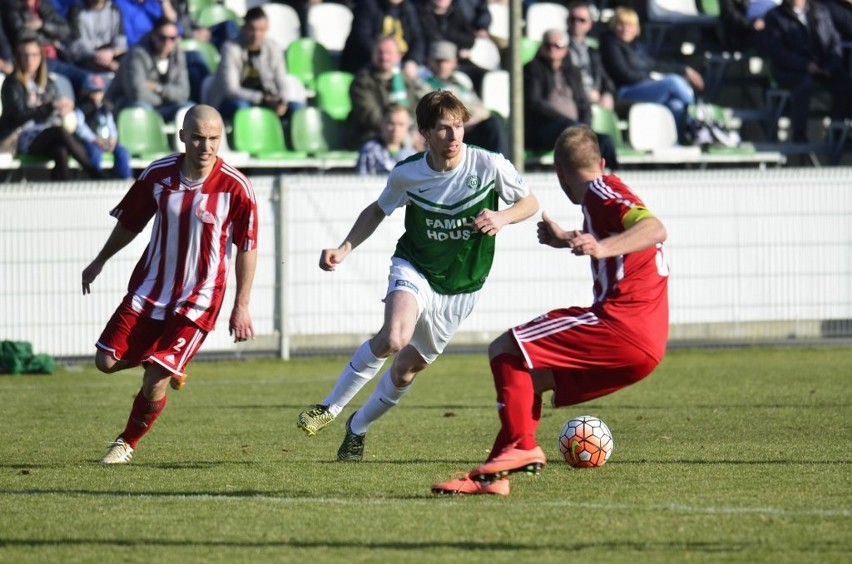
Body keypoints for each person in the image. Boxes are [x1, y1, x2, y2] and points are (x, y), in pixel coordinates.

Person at [297, 90, 539, 463]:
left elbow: (530, 202)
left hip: (461, 286)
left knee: (407, 370)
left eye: (458, 127)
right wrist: (345, 248)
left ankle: (357, 428)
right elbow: (378, 210)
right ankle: (328, 408)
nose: (454, 136)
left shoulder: (488, 165)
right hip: (414, 267)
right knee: (394, 336)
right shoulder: (407, 173)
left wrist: (502, 217)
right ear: (425, 132)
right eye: (443, 129)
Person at [432, 124, 669, 496]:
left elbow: (655, 229)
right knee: (531, 376)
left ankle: (524, 447)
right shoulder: (603, 199)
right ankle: (492, 479)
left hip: (620, 325)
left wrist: (600, 248)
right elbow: (618, 236)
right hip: (647, 348)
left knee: (505, 349)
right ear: (601, 160)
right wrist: (568, 240)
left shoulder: (601, 189)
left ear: (560, 175)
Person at [81, 104, 258, 464]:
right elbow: (131, 223)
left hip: (200, 299)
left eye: (213, 139)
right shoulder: (158, 175)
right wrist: (100, 259)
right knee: (105, 360)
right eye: (196, 138)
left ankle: (125, 442)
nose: (205, 147)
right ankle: (165, 362)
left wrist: (242, 304)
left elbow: (247, 247)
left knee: (156, 379)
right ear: (182, 137)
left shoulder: (236, 188)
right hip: (150, 289)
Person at [0, 33, 104, 179]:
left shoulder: (48, 83)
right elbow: (17, 116)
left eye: (34, 55)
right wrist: (48, 108)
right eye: (25, 55)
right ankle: (95, 172)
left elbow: (53, 110)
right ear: (18, 57)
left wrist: (64, 108)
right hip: (21, 136)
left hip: (46, 133)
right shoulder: (12, 84)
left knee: (60, 150)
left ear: (41, 57)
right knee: (59, 132)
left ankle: (62, 196)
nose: (30, 60)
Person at [599, 6, 704, 144]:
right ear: (614, 25)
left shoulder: (636, 47)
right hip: (624, 93)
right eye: (621, 24)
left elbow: (655, 65)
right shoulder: (610, 44)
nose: (625, 29)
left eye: (629, 25)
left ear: (636, 28)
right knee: (673, 82)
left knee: (676, 104)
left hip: (645, 89)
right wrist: (652, 80)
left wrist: (684, 69)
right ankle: (700, 116)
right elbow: (623, 74)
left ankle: (676, 145)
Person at [524, 28, 619, 170]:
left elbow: (584, 104)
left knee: (605, 141)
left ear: (565, 49)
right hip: (545, 129)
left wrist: (583, 126)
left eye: (557, 46)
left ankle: (614, 184)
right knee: (571, 132)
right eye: (547, 45)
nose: (552, 49)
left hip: (575, 127)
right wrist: (567, 122)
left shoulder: (573, 72)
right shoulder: (531, 69)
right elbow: (535, 103)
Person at [763, 0, 852, 142]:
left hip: (822, 67)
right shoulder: (774, 16)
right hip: (792, 70)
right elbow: (777, 52)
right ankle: (799, 133)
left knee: (844, 82)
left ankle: (837, 132)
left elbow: (834, 42)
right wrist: (806, 65)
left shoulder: (821, 12)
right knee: (804, 84)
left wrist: (830, 66)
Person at [207, 7, 299, 124]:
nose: (256, 35)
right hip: (233, 101)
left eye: (261, 30)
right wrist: (263, 99)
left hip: (267, 98)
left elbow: (282, 81)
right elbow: (231, 90)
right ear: (244, 27)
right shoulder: (230, 48)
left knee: (297, 108)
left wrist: (282, 101)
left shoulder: (273, 48)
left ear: (267, 29)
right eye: (252, 29)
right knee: (242, 107)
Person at [419, 39, 509, 156]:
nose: (442, 65)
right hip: (446, 134)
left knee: (493, 123)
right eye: (438, 61)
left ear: (453, 62)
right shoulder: (423, 85)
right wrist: (461, 123)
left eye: (445, 61)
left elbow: (482, 109)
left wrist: (471, 120)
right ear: (430, 61)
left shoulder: (461, 83)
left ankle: (501, 166)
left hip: (468, 130)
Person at [107, 16, 191, 121]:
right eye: (162, 38)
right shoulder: (136, 55)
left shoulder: (178, 55)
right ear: (153, 36)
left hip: (163, 104)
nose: (167, 42)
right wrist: (166, 99)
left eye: (172, 38)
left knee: (189, 109)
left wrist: (158, 88)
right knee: (143, 109)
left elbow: (183, 92)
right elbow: (137, 93)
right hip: (126, 104)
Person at [347, 34, 421, 148]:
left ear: (398, 57)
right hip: (371, 135)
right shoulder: (362, 82)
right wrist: (399, 130)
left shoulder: (405, 81)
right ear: (373, 54)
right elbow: (370, 116)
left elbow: (415, 110)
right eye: (380, 52)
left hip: (405, 132)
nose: (384, 57)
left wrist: (415, 130)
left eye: (389, 53)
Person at [340, 0, 426, 77]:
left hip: (401, 62)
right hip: (370, 62)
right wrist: (388, 57)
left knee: (425, 76)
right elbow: (361, 39)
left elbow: (418, 39)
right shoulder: (367, 5)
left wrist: (413, 61)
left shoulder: (408, 8)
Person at [72, 73, 132, 179]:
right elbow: (80, 128)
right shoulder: (81, 109)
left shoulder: (105, 108)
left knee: (123, 152)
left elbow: (111, 125)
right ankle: (96, 177)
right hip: (91, 142)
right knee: (94, 154)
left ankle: (125, 179)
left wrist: (113, 138)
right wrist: (94, 139)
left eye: (98, 92)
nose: (96, 95)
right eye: (92, 92)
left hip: (107, 141)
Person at [566, 1, 616, 112]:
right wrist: (585, 94)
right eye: (572, 19)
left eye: (582, 20)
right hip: (575, 101)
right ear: (567, 22)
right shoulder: (558, 48)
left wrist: (607, 94)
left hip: (597, 97)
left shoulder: (592, 51)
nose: (576, 23)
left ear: (589, 25)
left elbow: (605, 78)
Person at [66, 0, 128, 74]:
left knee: (130, 60)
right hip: (87, 56)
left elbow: (120, 41)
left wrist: (111, 53)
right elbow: (78, 45)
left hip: (109, 52)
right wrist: (106, 61)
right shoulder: (76, 10)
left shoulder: (114, 9)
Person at [355, 102, 417, 174]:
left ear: (407, 126)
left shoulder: (411, 154)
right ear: (381, 123)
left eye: (401, 124)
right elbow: (362, 181)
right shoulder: (369, 152)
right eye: (391, 123)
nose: (396, 129)